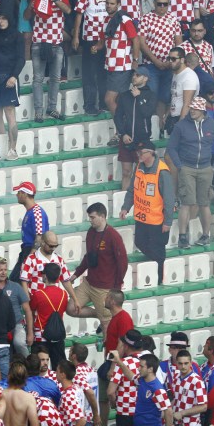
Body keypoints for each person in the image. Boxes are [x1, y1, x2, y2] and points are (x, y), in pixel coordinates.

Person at [165, 97, 214, 248]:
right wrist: (180, 166)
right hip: (187, 167)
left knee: (204, 204)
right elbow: (171, 148)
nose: (192, 110)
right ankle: (182, 237)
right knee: (186, 203)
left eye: (196, 108)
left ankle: (206, 235)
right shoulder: (181, 126)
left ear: (203, 110)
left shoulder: (213, 125)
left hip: (206, 168)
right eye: (191, 108)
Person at [119, 141, 173, 281]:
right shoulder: (139, 167)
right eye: (138, 153)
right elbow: (132, 190)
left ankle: (160, 278)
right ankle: (154, 268)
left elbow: (169, 199)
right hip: (142, 218)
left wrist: (167, 221)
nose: (139, 155)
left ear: (152, 153)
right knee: (140, 242)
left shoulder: (162, 172)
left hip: (157, 221)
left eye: (141, 153)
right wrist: (125, 207)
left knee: (158, 251)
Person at [70, 203, 127, 331]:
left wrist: (117, 287)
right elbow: (88, 256)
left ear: (102, 216)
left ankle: (107, 345)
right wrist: (76, 274)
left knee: (106, 326)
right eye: (89, 218)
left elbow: (122, 263)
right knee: (71, 309)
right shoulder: (91, 232)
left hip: (104, 288)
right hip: (89, 283)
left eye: (92, 217)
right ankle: (100, 315)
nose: (90, 220)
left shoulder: (113, 236)